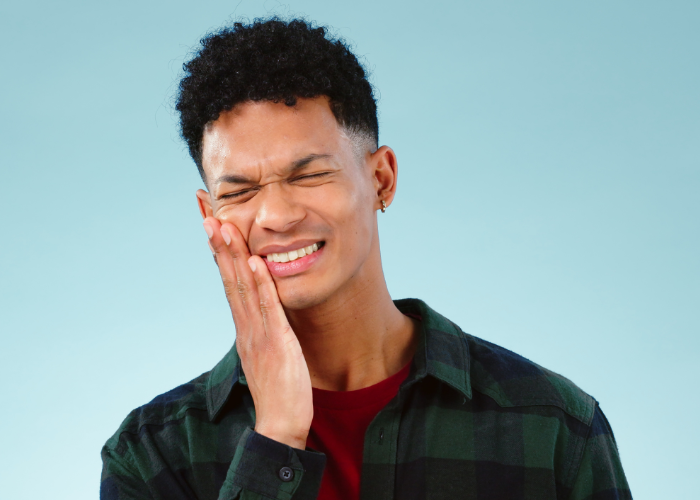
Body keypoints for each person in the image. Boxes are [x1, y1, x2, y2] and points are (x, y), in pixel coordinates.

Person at [100, 18, 632, 500]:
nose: (277, 216)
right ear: (208, 211)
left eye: (309, 175)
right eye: (238, 191)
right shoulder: (151, 458)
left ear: (381, 179)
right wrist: (277, 438)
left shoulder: (554, 427)